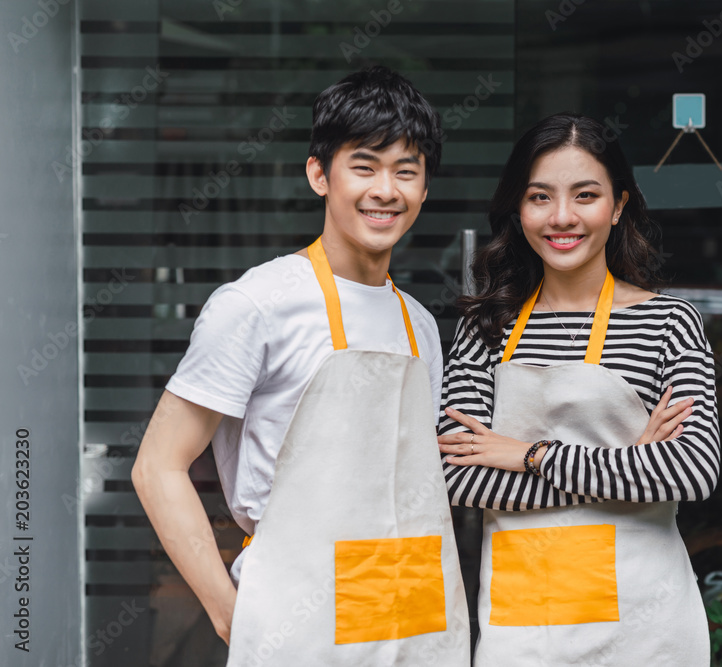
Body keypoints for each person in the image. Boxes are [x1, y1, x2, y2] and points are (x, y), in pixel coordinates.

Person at [132, 66, 469, 665]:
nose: (385, 190)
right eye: (364, 166)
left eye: (406, 171)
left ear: (424, 188)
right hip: (298, 606)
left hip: (415, 609)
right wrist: (230, 613)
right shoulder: (257, 304)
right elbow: (158, 468)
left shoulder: (419, 323)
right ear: (320, 173)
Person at [437, 113, 720, 665]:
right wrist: (631, 468)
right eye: (540, 197)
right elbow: (457, 478)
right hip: (526, 626)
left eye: (585, 195)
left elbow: (691, 471)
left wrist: (528, 455)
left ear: (618, 206)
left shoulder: (670, 323)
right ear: (518, 210)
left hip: (648, 625)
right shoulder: (485, 327)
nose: (562, 217)